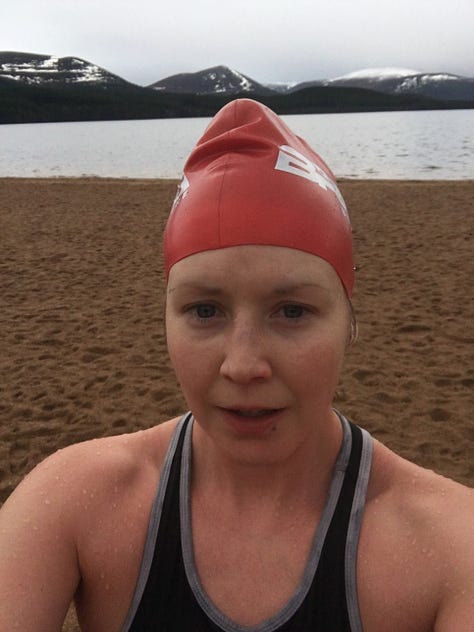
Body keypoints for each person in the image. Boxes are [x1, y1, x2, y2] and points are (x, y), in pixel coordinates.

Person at [0, 99, 472, 632]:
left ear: (350, 321)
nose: (243, 365)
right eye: (205, 311)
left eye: (292, 311)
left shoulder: (449, 549)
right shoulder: (73, 501)